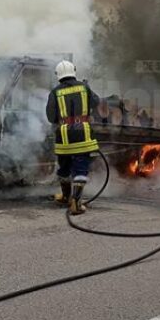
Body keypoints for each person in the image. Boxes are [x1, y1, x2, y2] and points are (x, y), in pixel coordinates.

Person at [46, 60, 100, 215]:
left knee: (64, 168)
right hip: (82, 133)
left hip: (63, 137)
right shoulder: (84, 87)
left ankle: (65, 197)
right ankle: (76, 202)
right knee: (80, 168)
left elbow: (51, 117)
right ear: (73, 71)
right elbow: (96, 102)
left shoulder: (55, 92)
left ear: (58, 75)